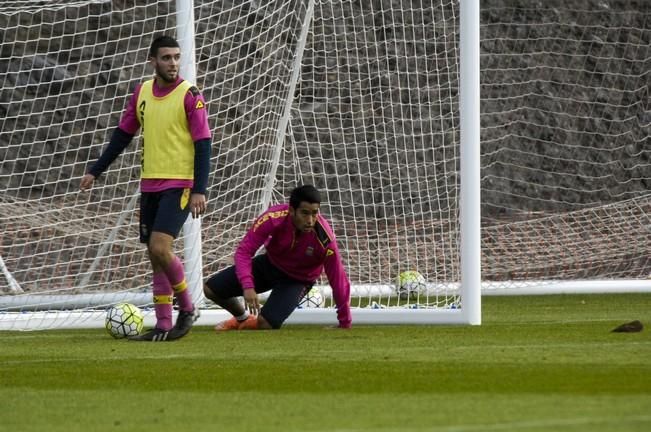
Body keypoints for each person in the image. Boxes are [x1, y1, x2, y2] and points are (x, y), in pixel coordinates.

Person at [79, 35, 211, 341]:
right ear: (152, 61)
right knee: (155, 258)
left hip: (179, 184)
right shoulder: (142, 93)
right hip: (149, 185)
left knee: (159, 248)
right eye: (166, 57)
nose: (173, 63)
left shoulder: (190, 95)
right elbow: (122, 135)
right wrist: (96, 170)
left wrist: (199, 190)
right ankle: (164, 325)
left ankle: (188, 308)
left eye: (176, 57)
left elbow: (203, 145)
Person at [204, 184, 352, 330]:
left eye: (314, 213)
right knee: (211, 289)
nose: (310, 220)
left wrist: (344, 322)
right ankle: (242, 318)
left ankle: (258, 319)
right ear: (292, 210)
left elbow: (338, 279)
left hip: (299, 280)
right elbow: (244, 251)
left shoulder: (325, 239)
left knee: (265, 324)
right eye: (305, 213)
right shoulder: (272, 218)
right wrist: (247, 286)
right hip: (270, 265)